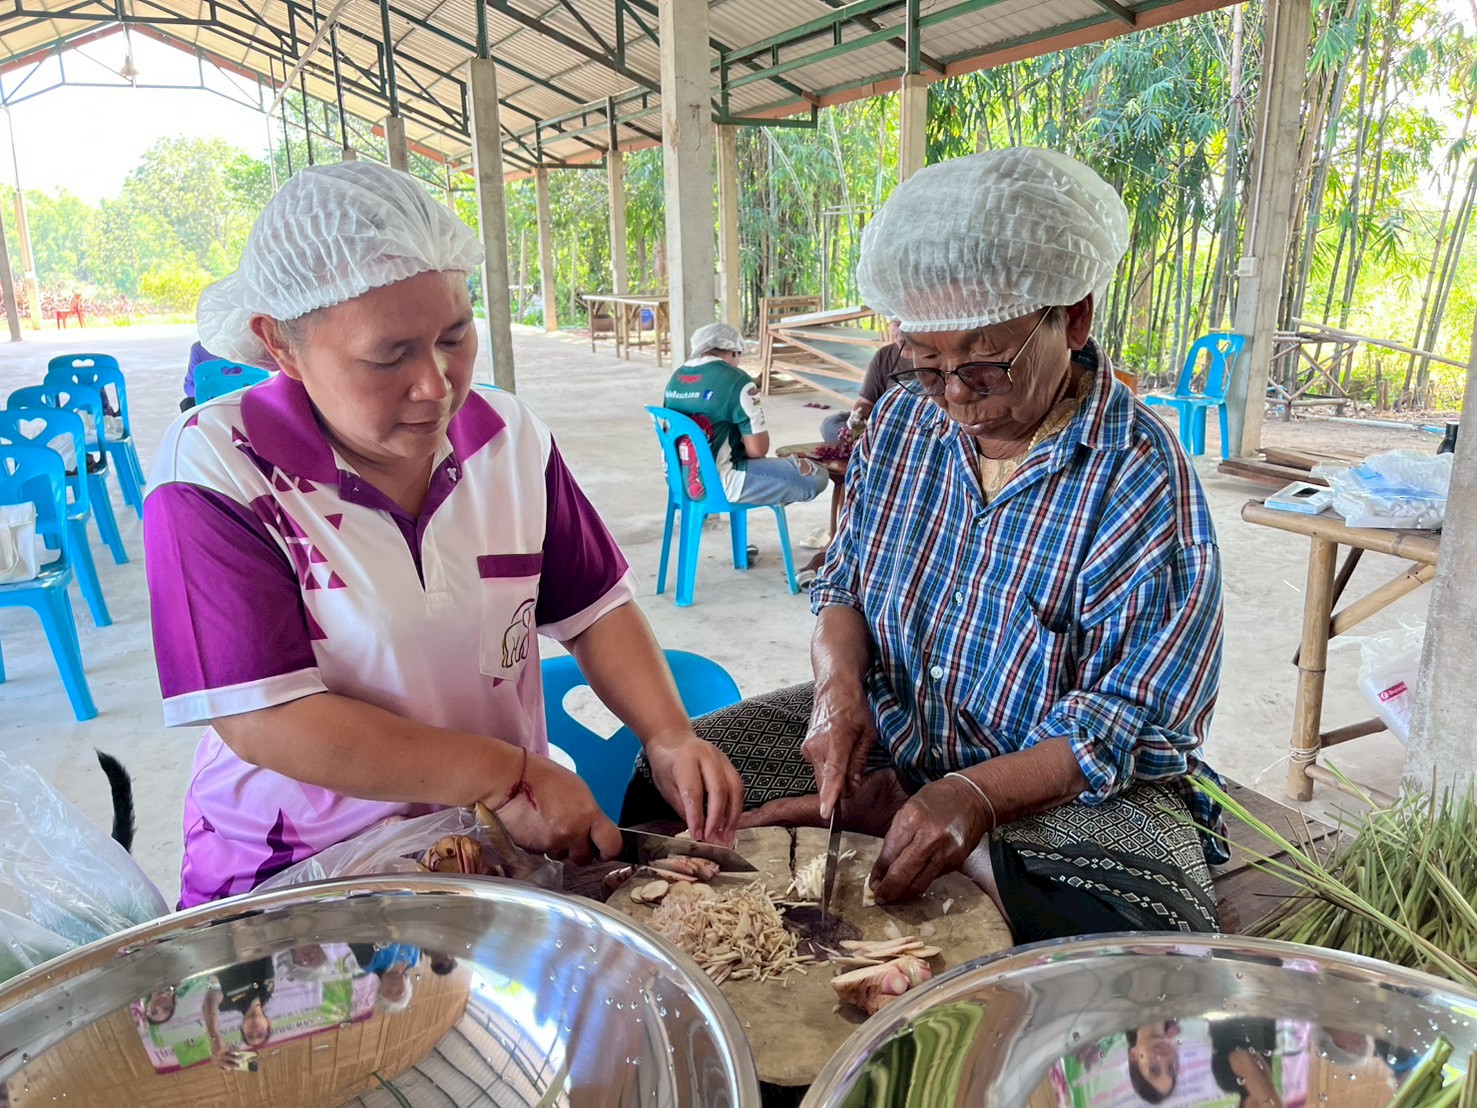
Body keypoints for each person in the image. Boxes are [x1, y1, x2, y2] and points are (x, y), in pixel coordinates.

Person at [623, 148, 1225, 942]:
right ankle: (887, 808)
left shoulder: (1139, 479)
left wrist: (973, 796)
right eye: (924, 360)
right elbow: (843, 583)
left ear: (1072, 317)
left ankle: (933, 833)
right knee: (676, 789)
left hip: (1055, 786)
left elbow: (1130, 718)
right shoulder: (906, 421)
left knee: (1126, 925)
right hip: (893, 726)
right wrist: (839, 690)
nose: (952, 396)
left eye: (983, 366)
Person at [143, 162, 743, 909]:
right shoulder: (216, 471)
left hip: (488, 842)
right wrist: (511, 775)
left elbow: (595, 610)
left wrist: (667, 735)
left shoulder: (508, 438)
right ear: (281, 345)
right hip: (301, 866)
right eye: (388, 356)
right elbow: (268, 719)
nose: (435, 384)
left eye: (455, 336)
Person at [662, 322, 829, 508]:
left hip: (678, 481)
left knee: (785, 469)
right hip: (720, 483)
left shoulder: (676, 378)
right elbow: (757, 450)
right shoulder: (737, 379)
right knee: (816, 476)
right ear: (734, 351)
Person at [817, 319, 907, 444]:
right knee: (831, 424)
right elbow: (866, 401)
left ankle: (868, 443)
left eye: (905, 324)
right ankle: (863, 442)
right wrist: (857, 420)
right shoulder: (884, 355)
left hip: (903, 426)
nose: (900, 331)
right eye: (896, 325)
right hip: (878, 422)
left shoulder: (929, 356)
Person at [204, 957, 275, 1063]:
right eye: (260, 1034)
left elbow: (211, 998)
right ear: (268, 1023)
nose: (255, 1031)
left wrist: (214, 1035)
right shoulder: (269, 990)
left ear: (242, 1027)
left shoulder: (227, 1003)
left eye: (250, 1035)